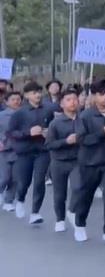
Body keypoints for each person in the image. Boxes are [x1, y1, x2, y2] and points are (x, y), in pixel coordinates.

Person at [73, 78, 105, 244]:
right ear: (94, 96)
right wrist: (102, 133)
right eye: (101, 94)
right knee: (86, 195)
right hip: (90, 162)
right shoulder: (85, 115)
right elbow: (81, 140)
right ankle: (80, 224)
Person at [8, 81, 53, 224]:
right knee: (24, 181)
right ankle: (20, 199)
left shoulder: (47, 110)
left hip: (42, 151)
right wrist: (28, 132)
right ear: (27, 95)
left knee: (39, 181)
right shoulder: (19, 113)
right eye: (34, 93)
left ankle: (35, 212)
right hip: (25, 152)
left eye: (39, 92)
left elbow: (53, 126)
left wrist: (48, 133)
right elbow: (11, 133)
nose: (38, 95)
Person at [45, 88, 81, 233]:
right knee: (60, 194)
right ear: (62, 103)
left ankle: (71, 210)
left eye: (75, 99)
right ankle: (60, 219)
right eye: (68, 99)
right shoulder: (56, 123)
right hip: (59, 162)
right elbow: (49, 144)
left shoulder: (84, 120)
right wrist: (65, 141)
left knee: (79, 187)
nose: (72, 102)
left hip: (78, 161)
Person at [0, 91, 21, 211]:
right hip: (4, 149)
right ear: (6, 102)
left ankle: (9, 201)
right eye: (13, 99)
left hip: (20, 150)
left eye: (18, 99)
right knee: (4, 177)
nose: (16, 102)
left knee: (16, 178)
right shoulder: (1, 115)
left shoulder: (24, 114)